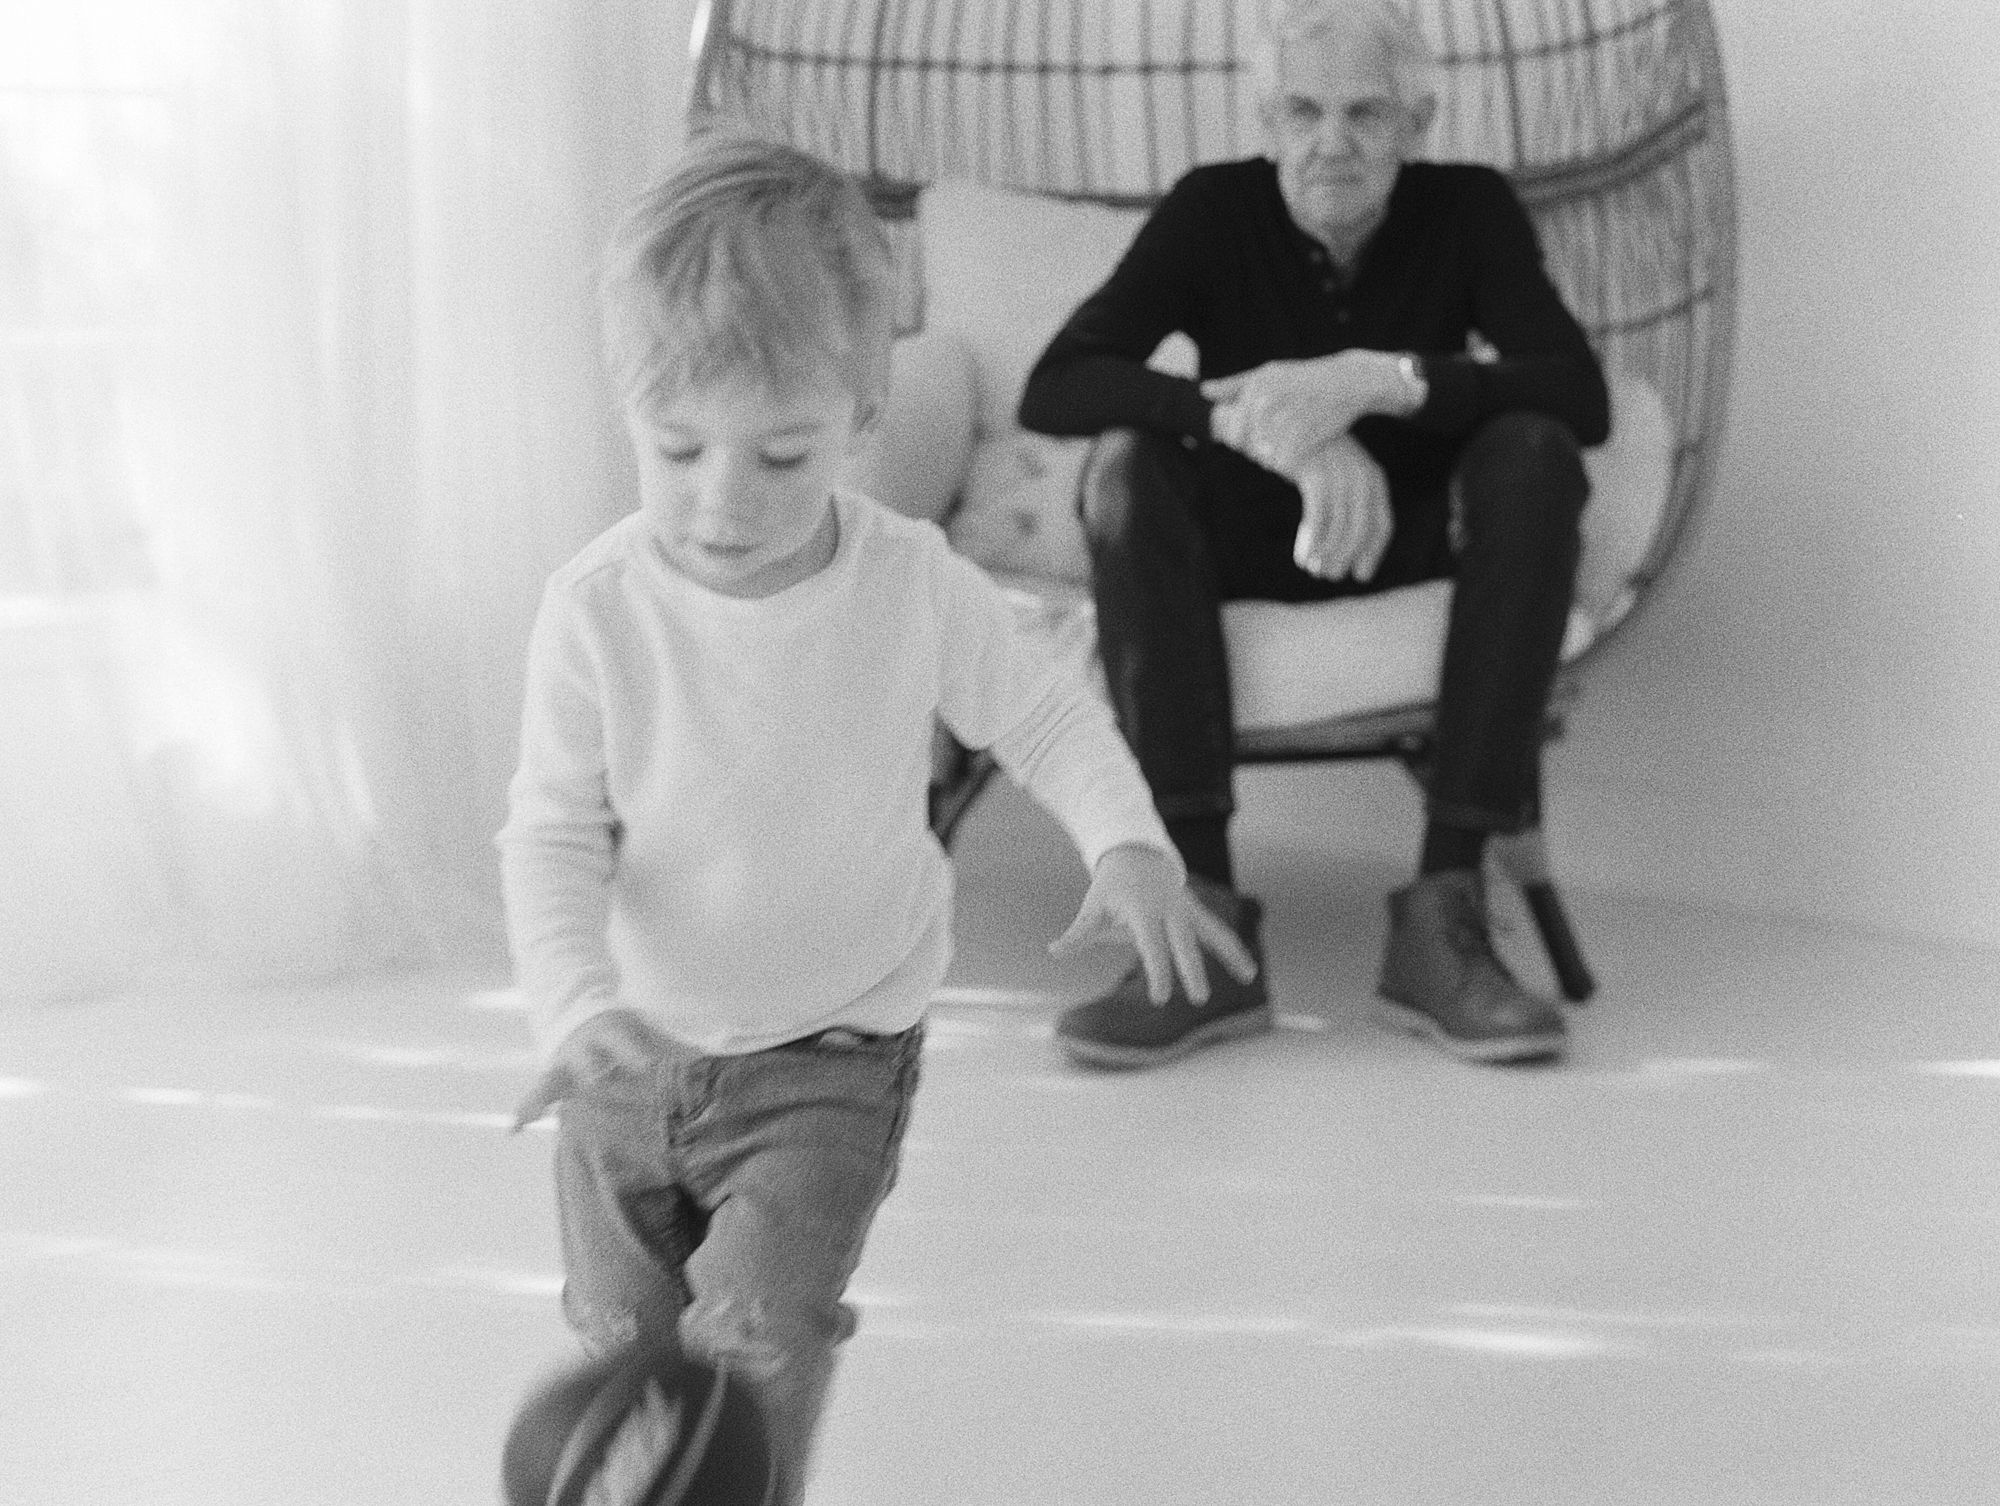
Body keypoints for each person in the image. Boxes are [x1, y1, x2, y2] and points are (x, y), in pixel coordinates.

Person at [497, 132, 1255, 1506]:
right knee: (625, 1347)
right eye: (678, 448)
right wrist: (570, 1004)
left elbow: (1047, 715)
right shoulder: (596, 609)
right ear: (631, 415)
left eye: (782, 454)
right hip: (625, 1063)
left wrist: (1130, 838)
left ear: (861, 424)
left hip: (829, 1058)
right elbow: (551, 831)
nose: (724, 499)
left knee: (756, 1337)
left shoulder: (909, 583)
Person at [1018, 0, 1610, 1069]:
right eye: (1301, 110)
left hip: (1418, 534)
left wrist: (1378, 383)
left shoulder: (1467, 209)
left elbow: (1578, 393)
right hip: (1248, 536)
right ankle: (1200, 922)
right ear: (1264, 118)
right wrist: (1255, 423)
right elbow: (1058, 383)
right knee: (1125, 460)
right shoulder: (1212, 210)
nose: (1328, 141)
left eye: (1363, 113)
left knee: (1535, 449)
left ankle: (1442, 919)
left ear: (1415, 122)